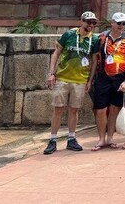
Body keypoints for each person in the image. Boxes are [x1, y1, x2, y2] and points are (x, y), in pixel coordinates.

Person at [44, 11, 99, 154]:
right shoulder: (69, 35)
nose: (91, 25)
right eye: (89, 22)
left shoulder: (94, 39)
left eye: (93, 23)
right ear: (82, 21)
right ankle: (52, 140)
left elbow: (94, 61)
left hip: (80, 79)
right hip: (62, 77)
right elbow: (56, 53)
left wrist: (90, 80)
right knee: (58, 108)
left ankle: (71, 138)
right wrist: (51, 73)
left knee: (74, 109)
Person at [87, 12, 125, 151]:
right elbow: (95, 59)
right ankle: (101, 139)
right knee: (100, 109)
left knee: (115, 109)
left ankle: (110, 138)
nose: (121, 26)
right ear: (112, 23)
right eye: (119, 23)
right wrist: (90, 80)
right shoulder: (102, 38)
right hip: (103, 76)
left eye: (124, 23)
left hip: (119, 77)